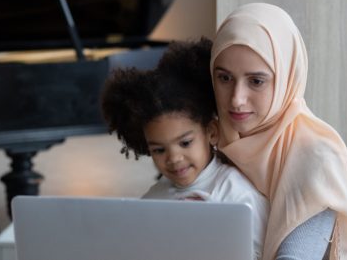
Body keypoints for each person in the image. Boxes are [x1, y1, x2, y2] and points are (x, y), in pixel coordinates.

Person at [211, 3, 347, 260]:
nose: (236, 99)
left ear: (287, 77)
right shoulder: (208, 138)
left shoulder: (318, 159)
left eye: (256, 81)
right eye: (224, 78)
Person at [101, 39, 269, 260]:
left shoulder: (237, 194)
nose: (174, 158)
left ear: (211, 132)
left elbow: (261, 252)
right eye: (159, 150)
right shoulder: (151, 200)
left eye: (185, 143)